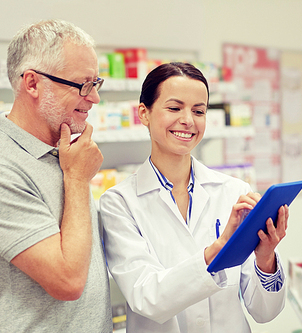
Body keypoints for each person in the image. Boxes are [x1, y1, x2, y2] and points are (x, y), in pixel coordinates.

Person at [100, 62, 290, 332]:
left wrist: (265, 257)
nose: (188, 120)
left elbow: (265, 311)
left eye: (199, 111)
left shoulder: (234, 191)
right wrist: (219, 248)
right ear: (144, 113)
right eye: (175, 108)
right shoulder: (119, 202)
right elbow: (146, 298)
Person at [0, 19, 112, 332]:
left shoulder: (65, 156)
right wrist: (78, 180)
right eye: (83, 85)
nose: (94, 98)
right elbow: (67, 281)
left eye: (96, 83)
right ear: (32, 83)